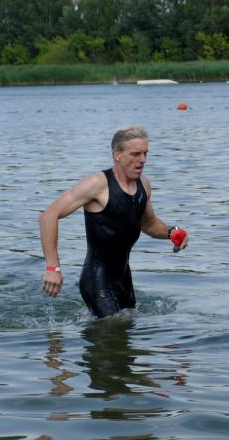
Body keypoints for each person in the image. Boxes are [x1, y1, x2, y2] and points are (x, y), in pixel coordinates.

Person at [39, 125, 188, 318]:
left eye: (145, 153)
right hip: (96, 279)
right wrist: (53, 268)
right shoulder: (97, 184)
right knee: (114, 326)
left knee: (126, 330)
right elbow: (48, 216)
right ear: (117, 154)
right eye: (135, 154)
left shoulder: (143, 184)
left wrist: (171, 232)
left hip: (123, 278)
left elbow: (148, 223)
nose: (143, 160)